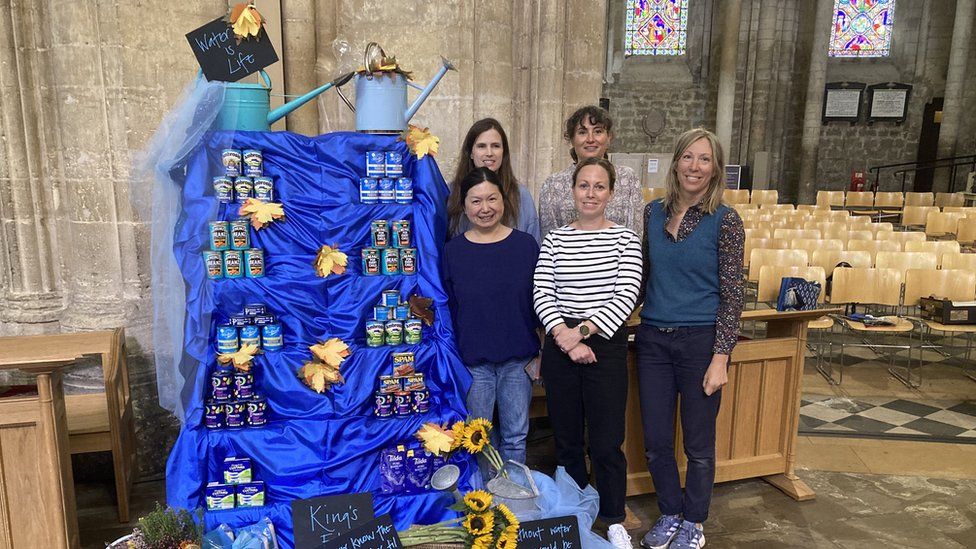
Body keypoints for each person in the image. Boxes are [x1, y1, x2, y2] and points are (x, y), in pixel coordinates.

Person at [636, 128, 744, 549]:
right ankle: (670, 512)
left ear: (715, 168)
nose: (694, 167)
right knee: (656, 441)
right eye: (688, 157)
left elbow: (733, 293)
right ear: (676, 162)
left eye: (704, 159)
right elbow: (642, 277)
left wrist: (721, 356)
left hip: (700, 342)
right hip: (653, 340)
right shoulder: (652, 213)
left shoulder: (726, 220)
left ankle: (694, 521)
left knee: (698, 444)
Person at [533, 157, 642, 549]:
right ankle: (572, 514)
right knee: (566, 436)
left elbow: (626, 293)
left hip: (605, 343)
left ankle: (613, 518)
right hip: (562, 341)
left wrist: (580, 334)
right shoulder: (555, 239)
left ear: (610, 193)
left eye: (599, 186)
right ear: (573, 190)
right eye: (584, 185)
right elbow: (542, 292)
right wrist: (562, 335)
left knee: (606, 439)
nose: (590, 193)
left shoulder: (626, 239)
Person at [442, 167, 541, 478]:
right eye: (476, 201)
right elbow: (449, 307)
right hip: (474, 363)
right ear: (464, 205)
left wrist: (541, 353)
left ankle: (514, 498)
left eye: (491, 199)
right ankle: (485, 502)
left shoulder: (526, 246)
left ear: (504, 201)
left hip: (518, 359)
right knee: (478, 438)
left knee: (515, 437)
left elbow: (539, 302)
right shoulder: (453, 251)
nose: (485, 208)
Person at [538, 106, 643, 237]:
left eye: (598, 131)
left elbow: (636, 233)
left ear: (609, 137)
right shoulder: (552, 185)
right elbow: (549, 237)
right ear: (572, 139)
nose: (590, 139)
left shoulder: (628, 179)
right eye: (582, 132)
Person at [448, 118, 541, 243]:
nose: (489, 153)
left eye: (495, 146)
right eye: (482, 146)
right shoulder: (451, 193)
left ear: (504, 152)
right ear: (470, 152)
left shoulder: (521, 195)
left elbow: (533, 244)